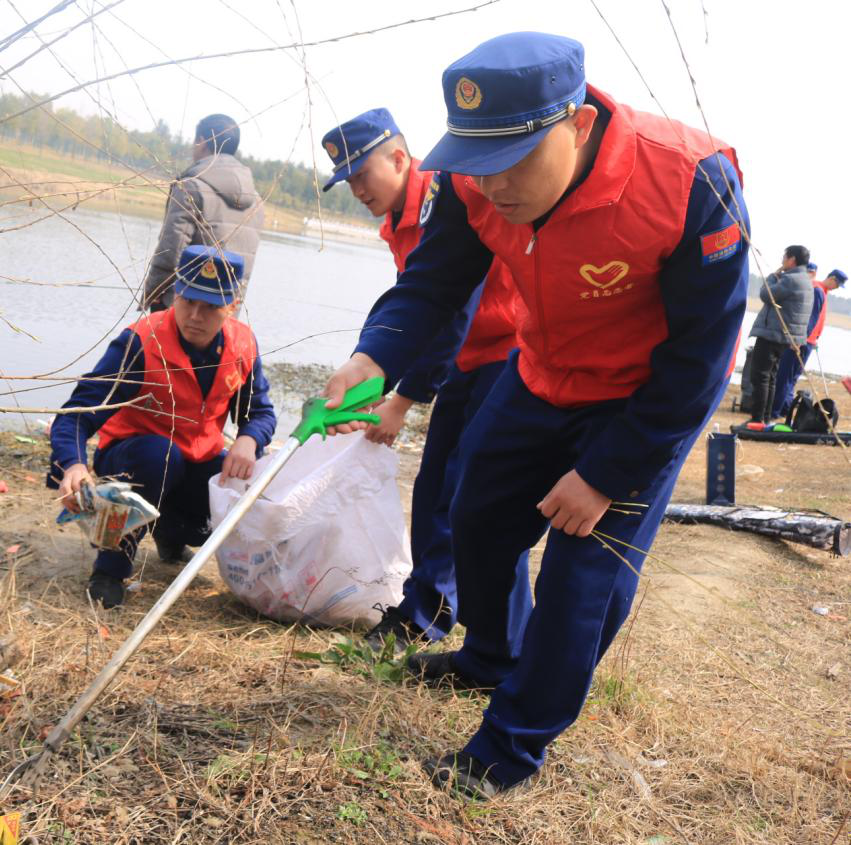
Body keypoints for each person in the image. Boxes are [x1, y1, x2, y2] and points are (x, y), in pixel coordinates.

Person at [323, 32, 749, 798]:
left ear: (578, 127)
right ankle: (488, 654)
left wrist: (602, 474)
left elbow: (702, 360)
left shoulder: (689, 181)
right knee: (475, 514)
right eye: (477, 164)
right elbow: (432, 284)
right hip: (540, 373)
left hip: (641, 397)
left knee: (581, 578)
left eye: (515, 161)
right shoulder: (468, 181)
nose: (495, 186)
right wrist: (371, 357)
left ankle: (508, 746)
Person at [318, 108, 525, 647]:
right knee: (437, 488)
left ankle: (466, 628)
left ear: (399, 157)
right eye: (348, 180)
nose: (357, 189)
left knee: (475, 494)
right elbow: (415, 313)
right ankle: (428, 613)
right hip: (469, 359)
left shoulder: (443, 199)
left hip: (509, 353)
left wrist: (404, 398)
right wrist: (373, 384)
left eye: (363, 173)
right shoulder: (397, 221)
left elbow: (455, 308)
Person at [50, 246, 276, 608]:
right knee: (160, 456)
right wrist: (73, 464)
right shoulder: (140, 341)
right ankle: (110, 568)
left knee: (236, 478)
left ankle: (172, 534)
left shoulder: (243, 344)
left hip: (194, 462)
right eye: (188, 301)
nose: (195, 316)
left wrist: (248, 439)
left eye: (210, 307)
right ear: (175, 294)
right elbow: (78, 413)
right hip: (135, 458)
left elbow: (260, 413)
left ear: (232, 306)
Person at [141, 114, 265, 312]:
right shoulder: (257, 201)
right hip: (224, 313)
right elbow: (246, 270)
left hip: (183, 312)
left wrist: (153, 295)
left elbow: (171, 250)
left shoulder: (190, 187)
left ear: (201, 141)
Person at [746, 245, 814, 426]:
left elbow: (765, 295)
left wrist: (771, 278)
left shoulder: (790, 280)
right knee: (771, 377)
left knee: (759, 376)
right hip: (784, 337)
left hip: (772, 335)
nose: (782, 260)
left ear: (792, 259)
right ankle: (765, 418)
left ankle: (757, 419)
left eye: (784, 257)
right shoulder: (806, 280)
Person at [771, 267, 847, 419]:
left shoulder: (823, 291)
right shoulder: (818, 290)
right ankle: (775, 411)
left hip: (810, 342)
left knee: (792, 376)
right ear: (832, 278)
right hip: (803, 341)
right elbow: (809, 319)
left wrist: (815, 338)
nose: (837, 288)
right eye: (837, 284)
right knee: (786, 375)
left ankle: (785, 408)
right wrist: (801, 339)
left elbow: (817, 320)